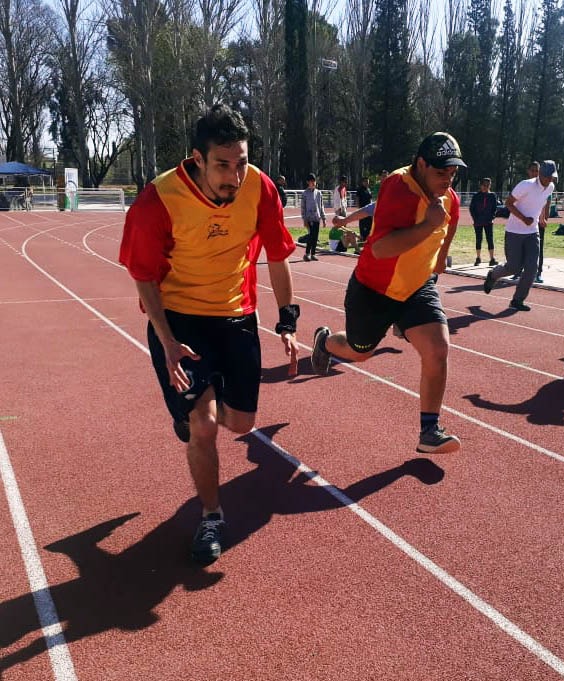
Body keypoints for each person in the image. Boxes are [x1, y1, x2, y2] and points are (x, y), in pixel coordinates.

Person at [118, 104, 299, 565]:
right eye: (222, 164)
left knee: (240, 424)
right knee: (203, 425)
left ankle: (197, 409)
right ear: (196, 158)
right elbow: (143, 276)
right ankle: (212, 516)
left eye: (241, 162)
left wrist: (287, 319)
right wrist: (165, 339)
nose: (234, 176)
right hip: (181, 321)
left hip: (237, 317)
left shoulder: (260, 188)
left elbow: (277, 255)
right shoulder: (157, 201)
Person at [310, 132, 465, 454]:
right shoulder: (399, 188)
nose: (448, 180)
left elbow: (448, 225)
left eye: (453, 173)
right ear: (421, 164)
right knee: (359, 352)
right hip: (374, 290)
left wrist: (439, 261)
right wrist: (426, 226)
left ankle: (429, 431)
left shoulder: (449, 197)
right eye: (441, 173)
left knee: (438, 350)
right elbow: (380, 249)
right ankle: (324, 341)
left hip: (416, 288)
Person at [483, 160, 557, 310]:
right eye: (548, 176)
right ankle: (493, 275)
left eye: (553, 176)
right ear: (541, 175)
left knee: (532, 268)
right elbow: (508, 203)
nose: (551, 179)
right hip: (514, 232)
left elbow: (542, 202)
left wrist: (542, 217)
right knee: (513, 267)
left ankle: (517, 300)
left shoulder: (550, 187)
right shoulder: (526, 185)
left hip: (532, 232)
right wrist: (524, 218)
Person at [469, 177, 499, 267]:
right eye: (484, 185)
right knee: (479, 239)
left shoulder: (492, 196)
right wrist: (475, 218)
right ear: (480, 185)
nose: (486, 187)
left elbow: (494, 208)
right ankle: (478, 258)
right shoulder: (476, 196)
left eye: (488, 185)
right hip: (478, 221)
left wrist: (492, 217)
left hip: (488, 221)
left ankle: (492, 259)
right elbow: (472, 208)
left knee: (490, 239)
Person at [300, 173, 326, 261]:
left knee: (315, 237)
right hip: (309, 218)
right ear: (308, 182)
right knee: (311, 236)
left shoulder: (318, 193)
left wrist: (324, 218)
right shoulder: (305, 193)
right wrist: (304, 219)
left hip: (317, 217)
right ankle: (307, 253)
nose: (313, 183)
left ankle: (313, 254)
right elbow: (303, 207)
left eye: (314, 181)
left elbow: (321, 206)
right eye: (311, 181)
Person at [355, 177, 373, 241]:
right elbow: (357, 199)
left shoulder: (369, 189)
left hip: (369, 210)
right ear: (363, 182)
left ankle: (368, 237)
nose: (367, 183)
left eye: (368, 182)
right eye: (365, 181)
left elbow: (370, 199)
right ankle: (362, 237)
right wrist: (359, 209)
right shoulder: (359, 190)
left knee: (369, 223)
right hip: (362, 210)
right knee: (362, 224)